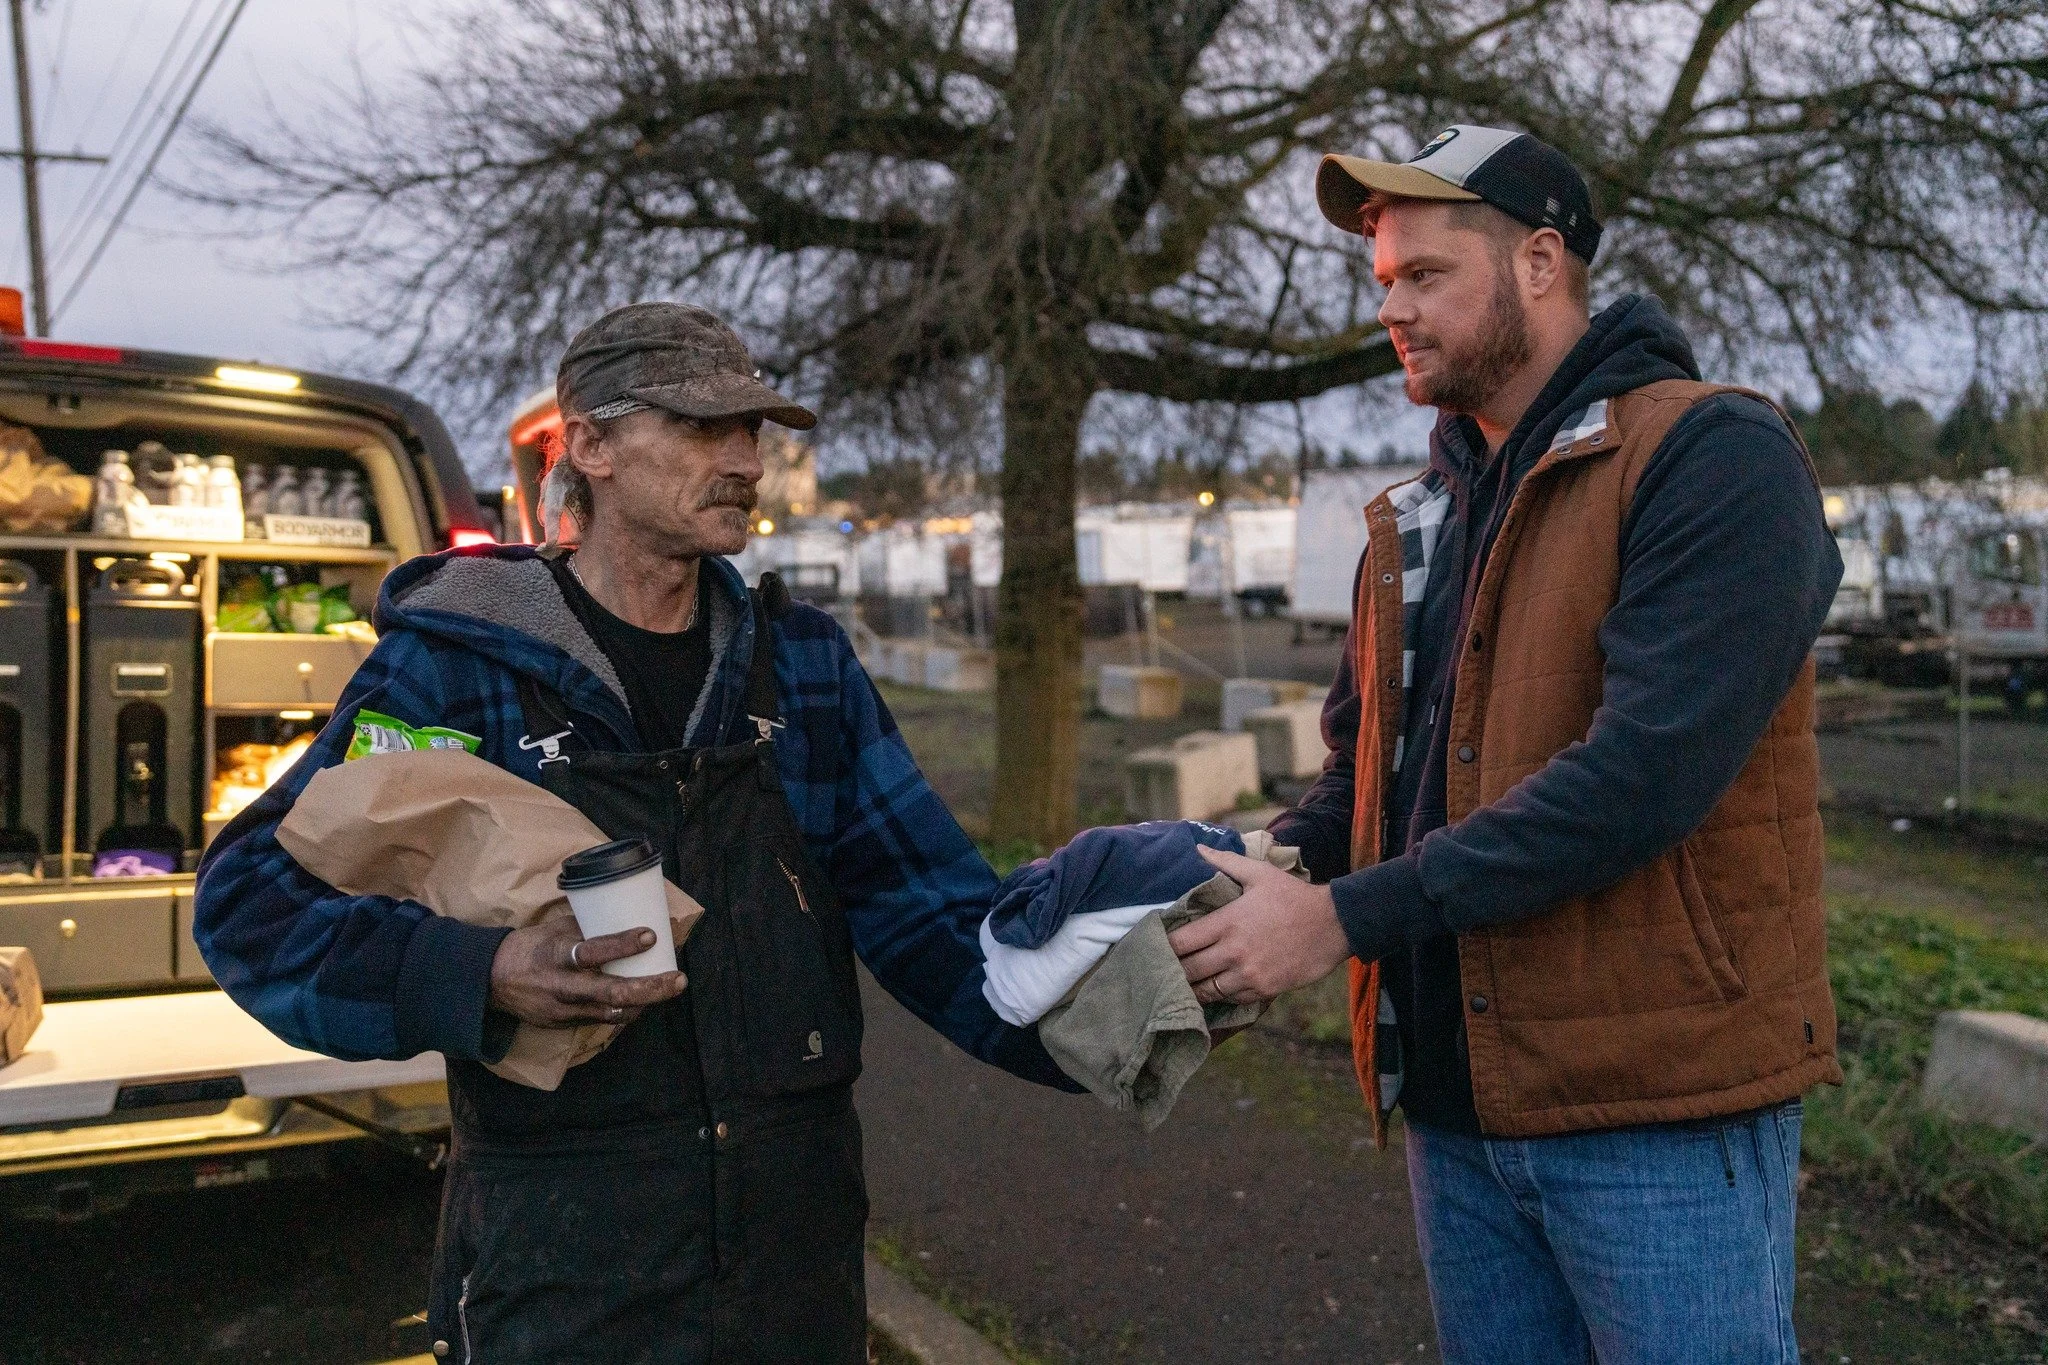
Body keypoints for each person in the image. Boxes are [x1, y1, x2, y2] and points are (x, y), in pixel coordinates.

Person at [195, 302, 1073, 1363]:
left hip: (790, 1272)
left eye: (754, 430)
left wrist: (1123, 1017)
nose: (747, 459)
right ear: (592, 447)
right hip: (563, 1270)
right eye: (706, 428)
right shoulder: (460, 669)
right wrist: (479, 970)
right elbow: (253, 907)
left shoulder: (798, 666)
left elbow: (933, 918)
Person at [1169, 126, 1844, 1363]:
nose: (1393, 309)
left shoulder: (1709, 457)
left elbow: (1639, 781)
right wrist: (1248, 869)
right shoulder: (1424, 509)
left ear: (1539, 263)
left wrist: (1339, 922)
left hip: (1656, 1106)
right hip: (1456, 1107)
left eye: (1425, 274)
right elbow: (1364, 779)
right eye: (1382, 283)